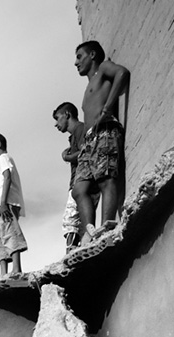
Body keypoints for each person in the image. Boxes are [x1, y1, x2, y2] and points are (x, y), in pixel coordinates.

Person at [72, 40, 130, 244]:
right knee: (79, 189)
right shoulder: (88, 86)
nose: (76, 62)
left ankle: (107, 226)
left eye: (80, 56)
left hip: (105, 130)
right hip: (89, 139)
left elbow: (122, 73)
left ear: (93, 55)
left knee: (106, 179)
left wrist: (107, 109)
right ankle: (90, 232)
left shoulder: (104, 67)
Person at [53, 101, 98, 253]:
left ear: (67, 115)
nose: (56, 124)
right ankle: (81, 247)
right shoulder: (74, 135)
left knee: (70, 218)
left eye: (57, 118)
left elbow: (85, 152)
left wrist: (67, 157)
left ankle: (71, 250)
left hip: (82, 180)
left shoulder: (80, 128)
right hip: (80, 181)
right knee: (77, 219)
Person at [0, 133, 27, 276]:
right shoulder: (1, 161)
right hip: (2, 205)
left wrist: (3, 203)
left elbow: (7, 177)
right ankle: (3, 273)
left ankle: (16, 269)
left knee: (10, 232)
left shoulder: (4, 158)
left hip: (7, 203)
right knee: (0, 237)